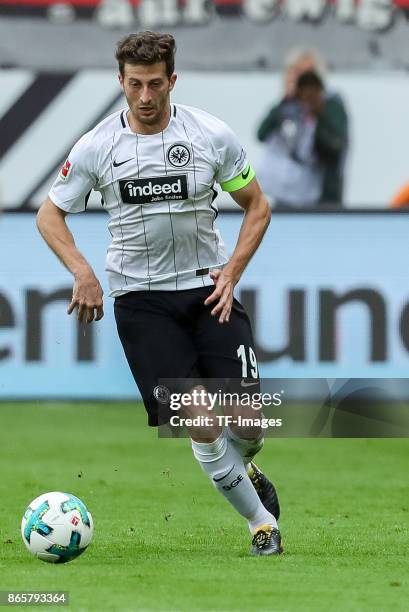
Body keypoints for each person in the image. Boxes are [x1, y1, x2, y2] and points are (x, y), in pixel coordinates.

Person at [36, 31, 282, 556]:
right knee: (200, 419)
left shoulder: (211, 136)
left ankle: (248, 467)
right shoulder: (98, 146)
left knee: (249, 422)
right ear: (120, 82)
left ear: (172, 80)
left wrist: (232, 271)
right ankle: (262, 526)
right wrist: (81, 270)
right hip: (141, 302)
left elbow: (257, 204)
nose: (145, 98)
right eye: (134, 85)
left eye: (154, 85)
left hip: (208, 291)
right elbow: (50, 213)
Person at [256, 48, 348, 207]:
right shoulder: (287, 107)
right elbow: (261, 134)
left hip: (322, 201)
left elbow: (336, 147)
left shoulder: (331, 105)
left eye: (309, 75)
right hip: (285, 197)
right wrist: (285, 101)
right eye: (297, 73)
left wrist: (317, 112)